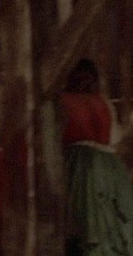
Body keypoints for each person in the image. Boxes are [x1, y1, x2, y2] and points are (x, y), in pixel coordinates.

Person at [61, 58, 133, 256]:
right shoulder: (104, 102)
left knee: (89, 222)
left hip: (82, 164)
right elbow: (114, 138)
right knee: (112, 222)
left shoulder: (63, 101)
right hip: (109, 164)